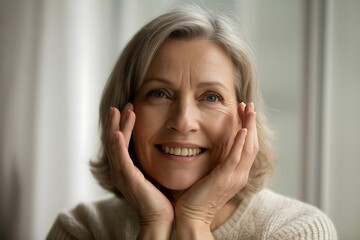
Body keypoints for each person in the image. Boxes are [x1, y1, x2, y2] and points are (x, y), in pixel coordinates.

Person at [47, 5, 337, 240]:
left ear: (243, 122)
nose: (183, 122)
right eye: (159, 93)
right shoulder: (82, 230)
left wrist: (195, 221)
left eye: (211, 97)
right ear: (122, 111)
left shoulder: (297, 231)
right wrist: (153, 223)